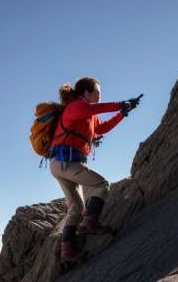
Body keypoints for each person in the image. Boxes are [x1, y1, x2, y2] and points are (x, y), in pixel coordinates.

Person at [50, 77, 136, 262]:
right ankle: (89, 223)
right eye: (98, 92)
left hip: (61, 164)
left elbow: (101, 128)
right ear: (87, 93)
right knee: (102, 184)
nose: (100, 95)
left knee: (76, 208)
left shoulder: (88, 113)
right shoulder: (76, 106)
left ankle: (68, 252)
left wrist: (122, 113)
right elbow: (98, 108)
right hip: (67, 162)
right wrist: (122, 103)